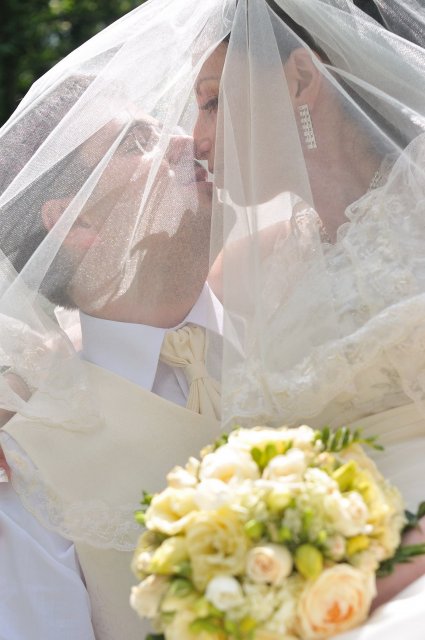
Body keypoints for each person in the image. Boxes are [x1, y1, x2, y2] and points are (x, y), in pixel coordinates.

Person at [193, 0, 425, 638]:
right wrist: (16, 389)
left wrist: (377, 578)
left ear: (300, 79)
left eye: (212, 102)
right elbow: (153, 331)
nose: (197, 139)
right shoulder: (262, 261)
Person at [0, 3, 228, 637]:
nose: (187, 140)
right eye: (136, 142)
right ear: (74, 222)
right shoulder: (28, 459)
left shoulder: (313, 312)